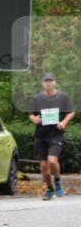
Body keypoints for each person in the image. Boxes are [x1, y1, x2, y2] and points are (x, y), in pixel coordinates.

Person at [29, 72, 74, 200]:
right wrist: (34, 119)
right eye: (46, 81)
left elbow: (71, 112)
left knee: (52, 161)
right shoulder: (37, 98)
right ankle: (49, 188)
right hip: (41, 135)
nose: (48, 83)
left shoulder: (63, 97)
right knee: (44, 166)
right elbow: (31, 114)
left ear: (55, 82)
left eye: (50, 81)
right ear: (43, 83)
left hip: (56, 134)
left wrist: (64, 122)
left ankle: (58, 182)